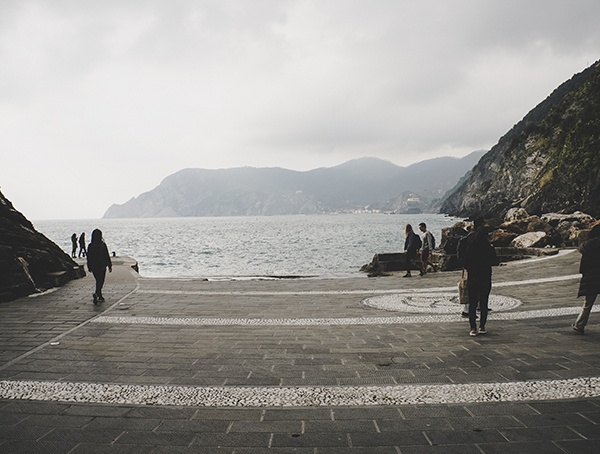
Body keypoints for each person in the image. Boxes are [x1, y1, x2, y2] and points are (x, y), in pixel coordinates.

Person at [457, 217, 498, 337]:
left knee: (473, 303)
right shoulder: (486, 242)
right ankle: (482, 326)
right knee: (484, 302)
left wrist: (468, 266)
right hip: (485, 274)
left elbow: (461, 256)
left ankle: (473, 328)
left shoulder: (467, 240)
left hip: (473, 275)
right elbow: (494, 259)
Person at [572, 223, 600, 334]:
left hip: (591, 277)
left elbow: (584, 265)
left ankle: (579, 325)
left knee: (587, 305)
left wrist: (585, 274)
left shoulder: (587, 247)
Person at [87, 229, 112, 304]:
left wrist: (89, 266)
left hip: (95, 266)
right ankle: (98, 293)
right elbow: (106, 255)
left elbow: (89, 257)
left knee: (98, 280)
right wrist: (109, 265)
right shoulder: (102, 244)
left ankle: (98, 294)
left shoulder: (90, 245)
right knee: (100, 281)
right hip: (102, 266)